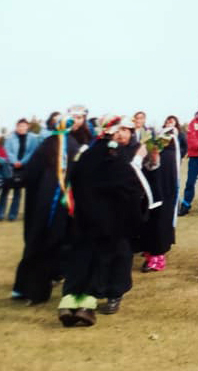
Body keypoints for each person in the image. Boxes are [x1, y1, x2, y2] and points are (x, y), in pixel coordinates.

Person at [58, 116, 149, 326]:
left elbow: (73, 186)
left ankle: (67, 303)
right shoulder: (115, 159)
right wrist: (136, 220)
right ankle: (87, 307)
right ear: (113, 133)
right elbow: (130, 190)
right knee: (103, 264)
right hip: (111, 224)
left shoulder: (86, 156)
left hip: (83, 220)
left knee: (79, 261)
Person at [11, 110, 91, 303]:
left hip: (40, 206)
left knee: (35, 245)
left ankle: (25, 289)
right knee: (55, 246)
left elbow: (30, 175)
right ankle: (44, 288)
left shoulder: (45, 146)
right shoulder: (74, 148)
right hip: (63, 207)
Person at [137, 125, 181, 272]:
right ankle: (150, 252)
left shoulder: (168, 156)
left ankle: (157, 259)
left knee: (159, 226)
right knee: (150, 225)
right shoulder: (155, 154)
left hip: (162, 197)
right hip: (152, 196)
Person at [0, 119, 39, 222]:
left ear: (27, 126)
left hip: (24, 167)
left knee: (18, 192)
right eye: (19, 126)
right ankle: (1, 213)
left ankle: (13, 215)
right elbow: (7, 150)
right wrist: (15, 161)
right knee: (5, 190)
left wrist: (22, 162)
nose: (21, 128)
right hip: (10, 167)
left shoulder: (33, 138)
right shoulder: (10, 138)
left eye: (23, 126)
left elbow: (32, 151)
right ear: (16, 126)